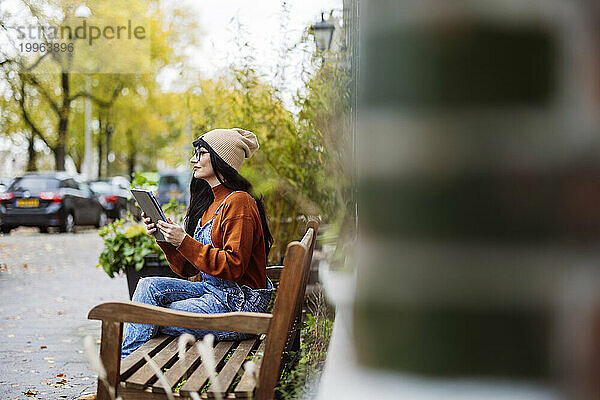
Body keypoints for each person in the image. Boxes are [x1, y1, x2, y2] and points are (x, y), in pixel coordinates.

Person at [121, 128, 274, 359]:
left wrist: (184, 240)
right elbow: (188, 269)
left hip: (239, 306)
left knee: (149, 316)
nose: (193, 159)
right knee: (147, 288)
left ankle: (122, 376)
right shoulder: (210, 203)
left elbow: (233, 266)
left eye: (201, 153)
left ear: (221, 159)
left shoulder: (239, 202)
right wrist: (167, 240)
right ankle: (126, 372)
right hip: (214, 294)